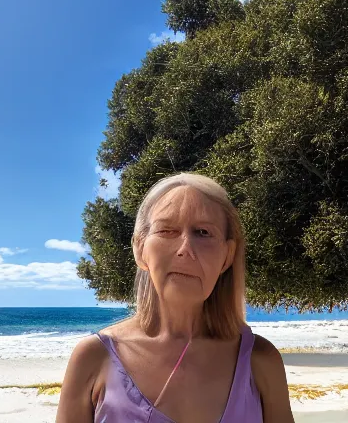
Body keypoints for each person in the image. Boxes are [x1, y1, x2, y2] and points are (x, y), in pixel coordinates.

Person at [56, 173, 295, 423]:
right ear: (140, 248)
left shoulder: (260, 362)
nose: (185, 249)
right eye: (167, 230)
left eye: (203, 232)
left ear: (227, 255)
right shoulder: (94, 358)